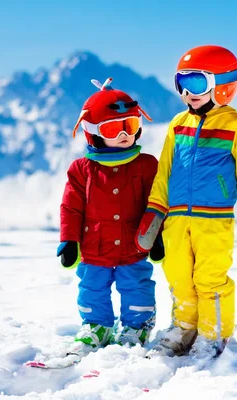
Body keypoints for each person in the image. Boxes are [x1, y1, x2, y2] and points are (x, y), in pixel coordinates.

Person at [135, 45, 237, 360]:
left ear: (222, 86)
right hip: (176, 219)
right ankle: (184, 328)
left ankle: (212, 335)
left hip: (213, 220)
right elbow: (164, 172)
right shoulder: (177, 123)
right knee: (178, 275)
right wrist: (154, 213)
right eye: (181, 83)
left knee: (210, 278)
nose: (187, 92)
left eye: (196, 83)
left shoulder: (234, 125)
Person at [58, 77, 164, 354]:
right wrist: (69, 241)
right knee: (92, 287)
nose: (123, 135)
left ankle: (137, 326)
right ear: (92, 132)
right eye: (113, 128)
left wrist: (158, 234)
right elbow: (71, 207)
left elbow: (156, 202)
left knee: (137, 285)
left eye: (129, 126)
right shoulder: (82, 169)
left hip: (134, 243)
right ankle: (96, 326)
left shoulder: (146, 165)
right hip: (95, 246)